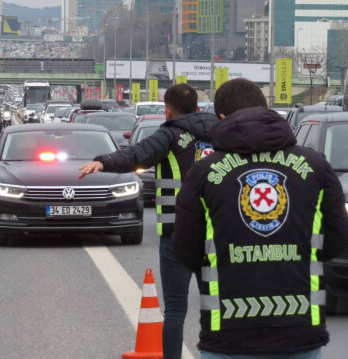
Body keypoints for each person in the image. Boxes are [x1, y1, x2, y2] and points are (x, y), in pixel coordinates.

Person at [172, 78, 348, 358]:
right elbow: (338, 238)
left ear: (222, 118)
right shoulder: (316, 167)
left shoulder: (204, 173)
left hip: (227, 334)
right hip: (300, 331)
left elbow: (185, 249)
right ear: (265, 108)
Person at [78, 83, 218, 359]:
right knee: (214, 306)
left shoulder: (169, 135)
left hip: (178, 232)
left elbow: (137, 154)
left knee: (176, 308)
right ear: (199, 109)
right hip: (216, 233)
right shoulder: (221, 134)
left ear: (168, 111)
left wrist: (103, 162)